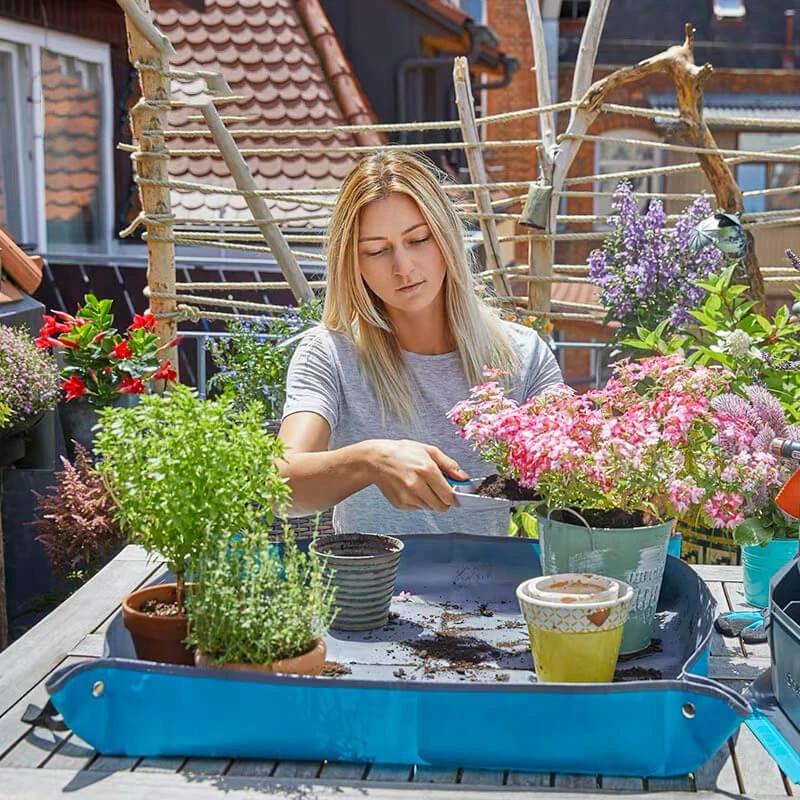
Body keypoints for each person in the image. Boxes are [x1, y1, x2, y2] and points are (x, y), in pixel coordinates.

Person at [278, 152, 565, 534]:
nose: (404, 267)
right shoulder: (330, 354)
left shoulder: (523, 356)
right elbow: (280, 486)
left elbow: (576, 461)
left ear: (445, 237)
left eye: (418, 240)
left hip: (492, 590)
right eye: (377, 251)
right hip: (370, 591)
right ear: (353, 262)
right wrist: (370, 461)